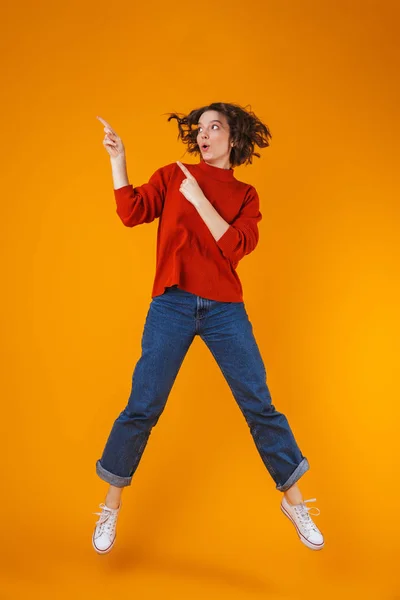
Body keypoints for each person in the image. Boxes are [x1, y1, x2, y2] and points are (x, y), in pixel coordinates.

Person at [92, 102, 324, 554]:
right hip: (172, 305)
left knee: (259, 405)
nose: (203, 135)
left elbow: (236, 246)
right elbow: (132, 212)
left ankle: (295, 503)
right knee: (143, 406)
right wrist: (118, 160)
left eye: (214, 128)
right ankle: (110, 507)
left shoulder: (247, 195)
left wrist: (198, 200)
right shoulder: (173, 174)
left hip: (224, 309)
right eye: (199, 129)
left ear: (233, 138)